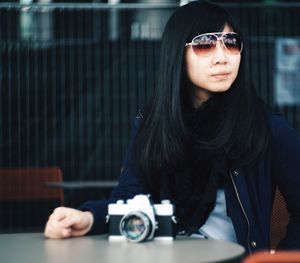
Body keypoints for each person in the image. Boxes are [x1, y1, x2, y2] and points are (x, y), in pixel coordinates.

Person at [44, 0, 300, 253]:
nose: (222, 58)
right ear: (177, 52)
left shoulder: (265, 126)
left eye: (231, 43)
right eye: (205, 44)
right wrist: (88, 218)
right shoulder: (154, 121)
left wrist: (278, 261)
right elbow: (131, 198)